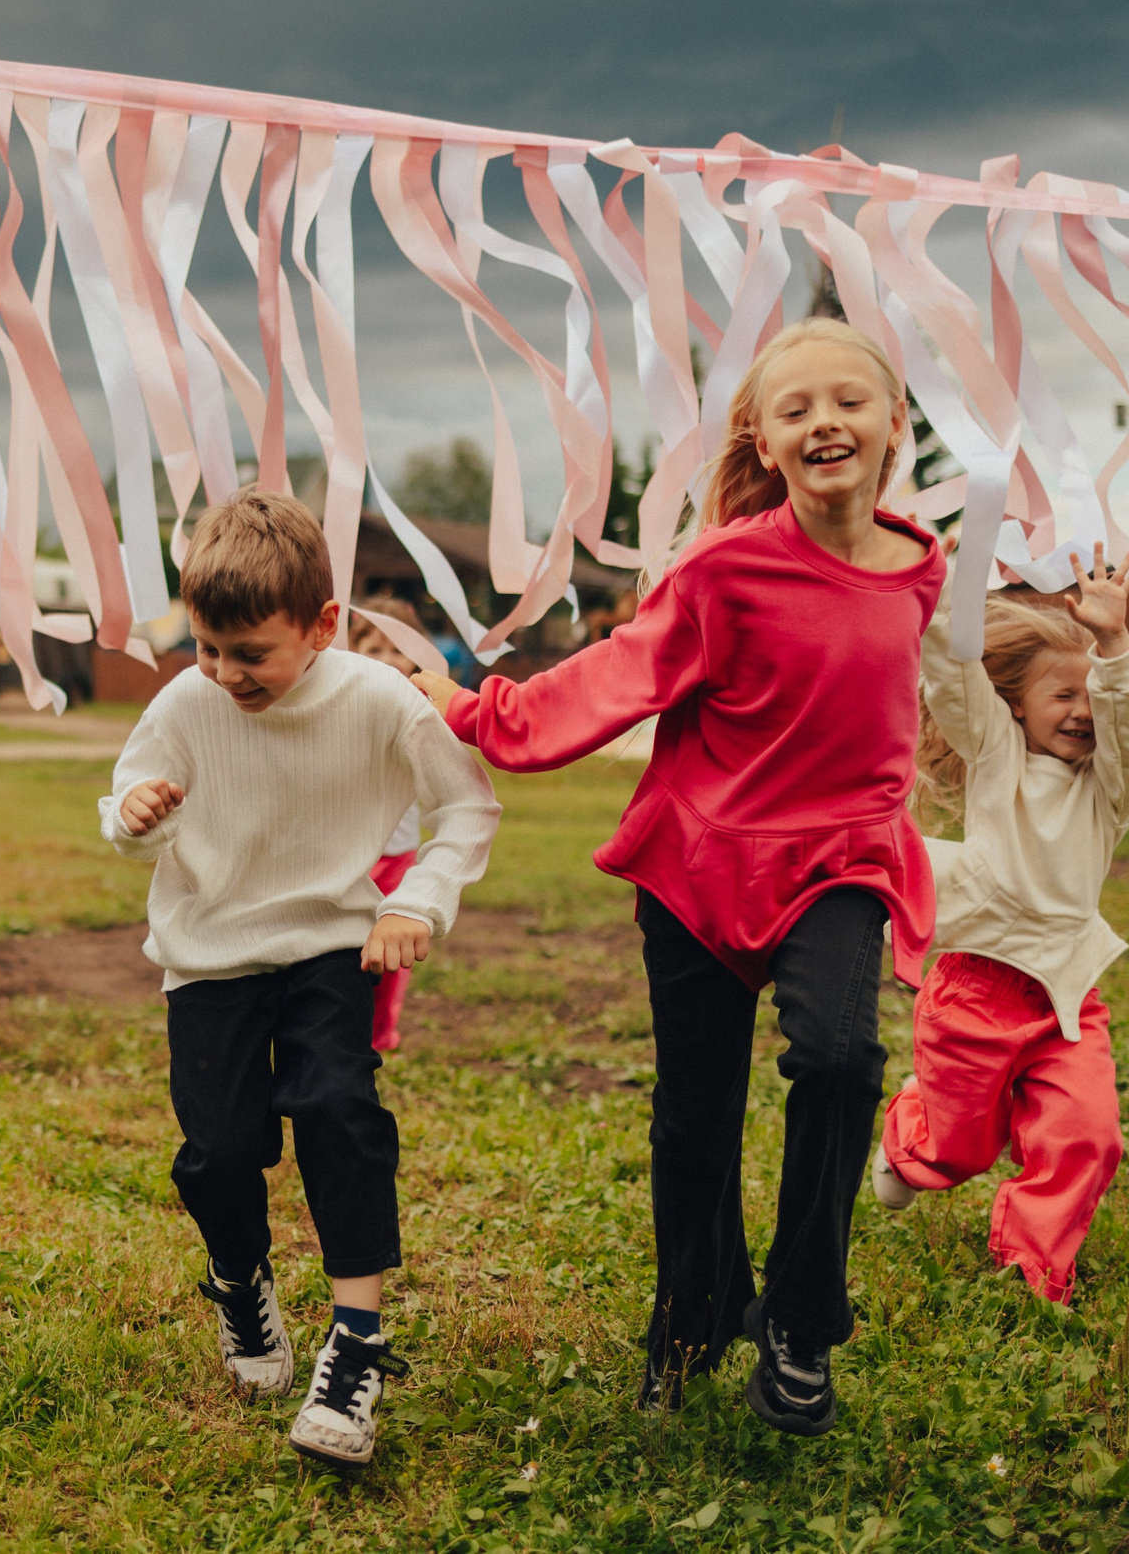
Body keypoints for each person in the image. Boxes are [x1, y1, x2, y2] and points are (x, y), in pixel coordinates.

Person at [412, 317, 944, 1437]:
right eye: (795, 409)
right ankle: (693, 1310)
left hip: (841, 862)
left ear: (895, 422)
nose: (825, 423)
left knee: (841, 1063)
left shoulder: (919, 568)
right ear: (762, 435)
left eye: (848, 401)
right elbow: (614, 679)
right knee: (695, 1121)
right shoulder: (725, 568)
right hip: (701, 861)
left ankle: (801, 1324)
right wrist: (468, 708)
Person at [103, 489, 500, 1469]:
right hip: (209, 958)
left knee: (338, 1112)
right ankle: (240, 1284)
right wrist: (135, 814)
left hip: (331, 944)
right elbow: (119, 813)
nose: (223, 673)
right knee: (221, 1149)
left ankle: (357, 1344)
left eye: (250, 654)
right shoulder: (185, 703)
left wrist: (418, 904)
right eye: (205, 647)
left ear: (322, 626)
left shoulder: (378, 700)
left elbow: (468, 809)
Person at [871, 548, 1129, 1307]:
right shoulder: (999, 757)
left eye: (1094, 696)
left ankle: (1033, 1270)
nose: (1084, 709)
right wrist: (941, 599)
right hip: (976, 991)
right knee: (958, 1147)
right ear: (1018, 705)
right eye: (1064, 693)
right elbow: (956, 683)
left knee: (1088, 1135)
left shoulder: (1109, 794)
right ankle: (911, 1125)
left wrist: (1115, 649)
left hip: (1065, 999)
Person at [348, 608, 427, 1053]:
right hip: (349, 858)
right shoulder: (338, 706)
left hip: (398, 856)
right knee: (345, 953)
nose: (387, 658)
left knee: (393, 957)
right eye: (374, 648)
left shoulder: (419, 712)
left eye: (398, 649)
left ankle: (380, 1035)